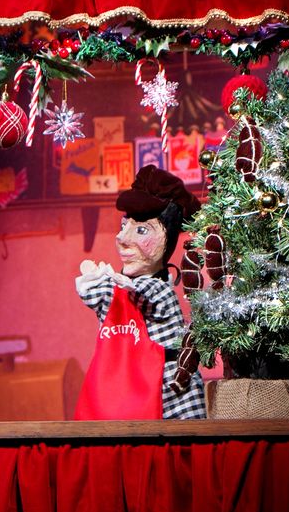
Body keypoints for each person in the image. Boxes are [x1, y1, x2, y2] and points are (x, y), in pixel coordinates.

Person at [75, 165, 207, 420]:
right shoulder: (114, 290)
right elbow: (95, 295)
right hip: (116, 404)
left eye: (142, 230)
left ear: (168, 240)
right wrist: (94, 282)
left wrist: (115, 281)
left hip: (170, 397)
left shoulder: (158, 293)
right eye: (124, 226)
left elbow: (149, 293)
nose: (122, 238)